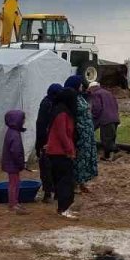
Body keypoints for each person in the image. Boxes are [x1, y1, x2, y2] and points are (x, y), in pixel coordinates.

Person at [45, 87, 78, 218]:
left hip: (60, 151)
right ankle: (63, 208)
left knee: (65, 180)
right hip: (59, 152)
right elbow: (62, 134)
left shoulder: (61, 111)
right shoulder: (62, 114)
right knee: (65, 180)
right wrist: (70, 150)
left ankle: (64, 207)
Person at [65, 75, 98, 192]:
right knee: (78, 159)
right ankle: (75, 183)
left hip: (87, 134)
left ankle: (82, 182)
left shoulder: (80, 96)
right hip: (80, 134)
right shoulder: (71, 99)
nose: (81, 86)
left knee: (85, 158)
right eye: (79, 84)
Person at [35, 83, 63, 202]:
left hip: (48, 141)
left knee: (48, 167)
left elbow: (40, 124)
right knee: (53, 167)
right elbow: (42, 125)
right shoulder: (55, 104)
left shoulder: (47, 103)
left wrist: (39, 145)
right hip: (52, 141)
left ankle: (49, 193)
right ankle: (53, 192)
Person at [1, 110, 26, 213]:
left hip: (12, 163)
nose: (24, 121)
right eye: (23, 119)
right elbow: (16, 151)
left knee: (15, 183)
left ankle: (15, 202)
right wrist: (20, 163)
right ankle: (13, 204)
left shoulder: (12, 131)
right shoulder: (14, 134)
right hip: (13, 164)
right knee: (14, 184)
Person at [89, 82, 120, 160]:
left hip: (106, 119)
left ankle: (116, 152)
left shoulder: (96, 94)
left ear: (92, 88)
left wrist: (92, 117)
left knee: (106, 140)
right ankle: (107, 156)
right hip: (115, 118)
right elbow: (116, 105)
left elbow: (97, 108)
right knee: (111, 138)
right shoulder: (108, 93)